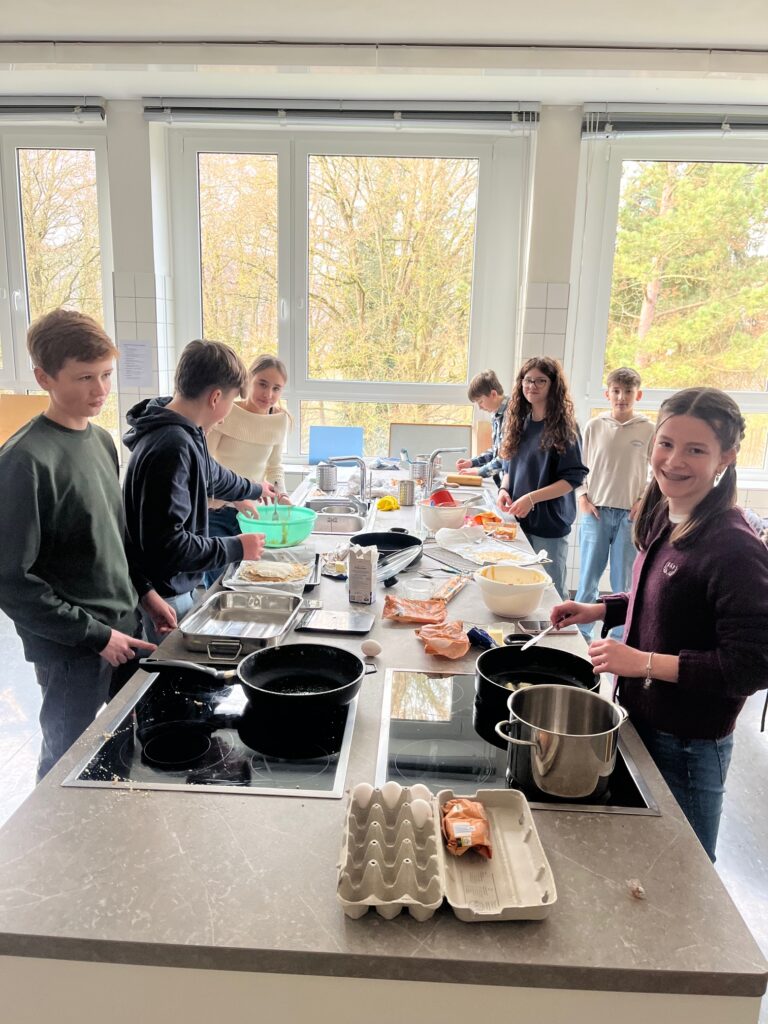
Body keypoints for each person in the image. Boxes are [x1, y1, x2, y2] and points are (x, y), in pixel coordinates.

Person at [551, 388, 768, 862]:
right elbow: (661, 598)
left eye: (696, 450)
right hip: (641, 719)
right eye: (666, 444)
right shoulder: (668, 511)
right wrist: (600, 609)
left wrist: (643, 663)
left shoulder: (735, 547)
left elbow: (751, 666)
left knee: (685, 871)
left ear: (726, 457)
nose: (673, 460)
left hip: (688, 744)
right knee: (641, 859)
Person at [0, 309, 175, 781]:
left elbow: (115, 534)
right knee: (65, 763)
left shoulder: (101, 440)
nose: (100, 390)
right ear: (44, 377)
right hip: (72, 648)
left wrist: (144, 592)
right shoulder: (23, 462)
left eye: (106, 375)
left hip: (126, 630)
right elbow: (12, 581)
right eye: (84, 378)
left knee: (122, 750)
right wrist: (96, 636)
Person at [122, 340, 277, 643]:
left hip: (168, 587)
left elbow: (213, 475)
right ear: (216, 397)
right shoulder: (173, 446)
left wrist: (254, 487)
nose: (226, 415)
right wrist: (236, 547)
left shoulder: (182, 429)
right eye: (230, 402)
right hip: (165, 594)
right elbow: (170, 545)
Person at [573, 367, 654, 640]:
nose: (622, 397)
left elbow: (656, 472)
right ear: (607, 394)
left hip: (630, 516)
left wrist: (642, 502)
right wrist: (582, 497)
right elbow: (579, 467)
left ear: (638, 395)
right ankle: (580, 638)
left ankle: (621, 640)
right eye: (616, 391)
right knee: (587, 580)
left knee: (624, 583)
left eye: (628, 391)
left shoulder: (649, 429)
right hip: (595, 512)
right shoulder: (594, 426)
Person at [497, 357, 587, 599]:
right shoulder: (519, 423)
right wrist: (504, 490)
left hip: (549, 524)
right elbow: (508, 467)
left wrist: (531, 498)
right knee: (521, 587)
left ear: (553, 385)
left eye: (540, 381)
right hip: (519, 521)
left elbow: (573, 479)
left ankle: (563, 626)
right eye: (528, 380)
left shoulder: (565, 427)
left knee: (551, 592)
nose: (532, 386)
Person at [204, 354, 292, 587]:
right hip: (216, 511)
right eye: (262, 384)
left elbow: (274, 467)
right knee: (220, 584)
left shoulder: (280, 420)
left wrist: (281, 494)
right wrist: (236, 496)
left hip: (253, 516)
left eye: (276, 388)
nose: (268, 394)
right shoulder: (226, 412)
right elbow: (204, 466)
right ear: (249, 379)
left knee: (250, 582)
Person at [455, 369, 509, 485]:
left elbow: (505, 458)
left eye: (480, 401)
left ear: (493, 394)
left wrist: (479, 472)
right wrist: (472, 462)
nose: (479, 407)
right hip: (501, 484)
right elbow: (497, 451)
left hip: (511, 485)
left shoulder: (511, 414)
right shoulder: (496, 413)